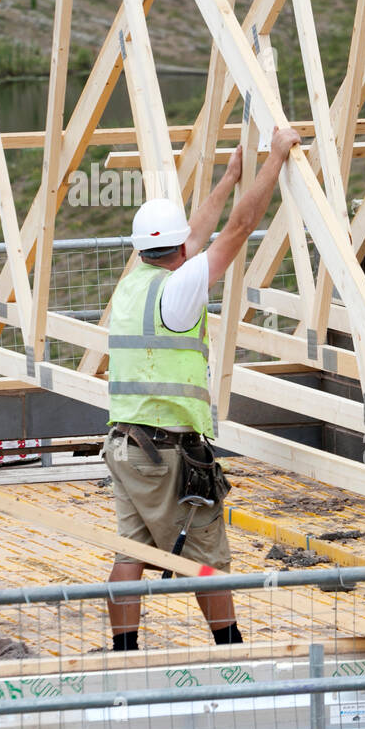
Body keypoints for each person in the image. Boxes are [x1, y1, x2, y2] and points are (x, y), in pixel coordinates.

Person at [104, 125, 301, 651]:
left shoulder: (134, 283)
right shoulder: (181, 289)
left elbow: (195, 231)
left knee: (132, 552)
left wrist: (230, 175)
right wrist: (272, 163)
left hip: (125, 446)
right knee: (208, 553)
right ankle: (231, 650)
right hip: (166, 453)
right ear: (177, 249)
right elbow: (238, 228)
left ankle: (124, 653)